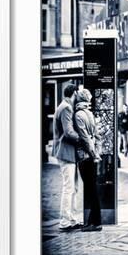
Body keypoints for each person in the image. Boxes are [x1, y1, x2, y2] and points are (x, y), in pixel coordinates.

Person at [52, 83, 84, 232]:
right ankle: (65, 221)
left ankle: (71, 219)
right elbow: (69, 132)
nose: (78, 96)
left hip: (67, 153)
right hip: (65, 153)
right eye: (77, 94)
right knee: (69, 187)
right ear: (74, 93)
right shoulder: (66, 107)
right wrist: (83, 139)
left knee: (73, 187)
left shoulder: (63, 106)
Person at [74, 88, 103, 232]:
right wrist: (97, 152)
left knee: (91, 189)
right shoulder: (90, 114)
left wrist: (93, 154)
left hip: (85, 157)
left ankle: (96, 222)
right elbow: (97, 135)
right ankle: (92, 221)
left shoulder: (79, 114)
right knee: (92, 188)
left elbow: (85, 138)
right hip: (92, 156)